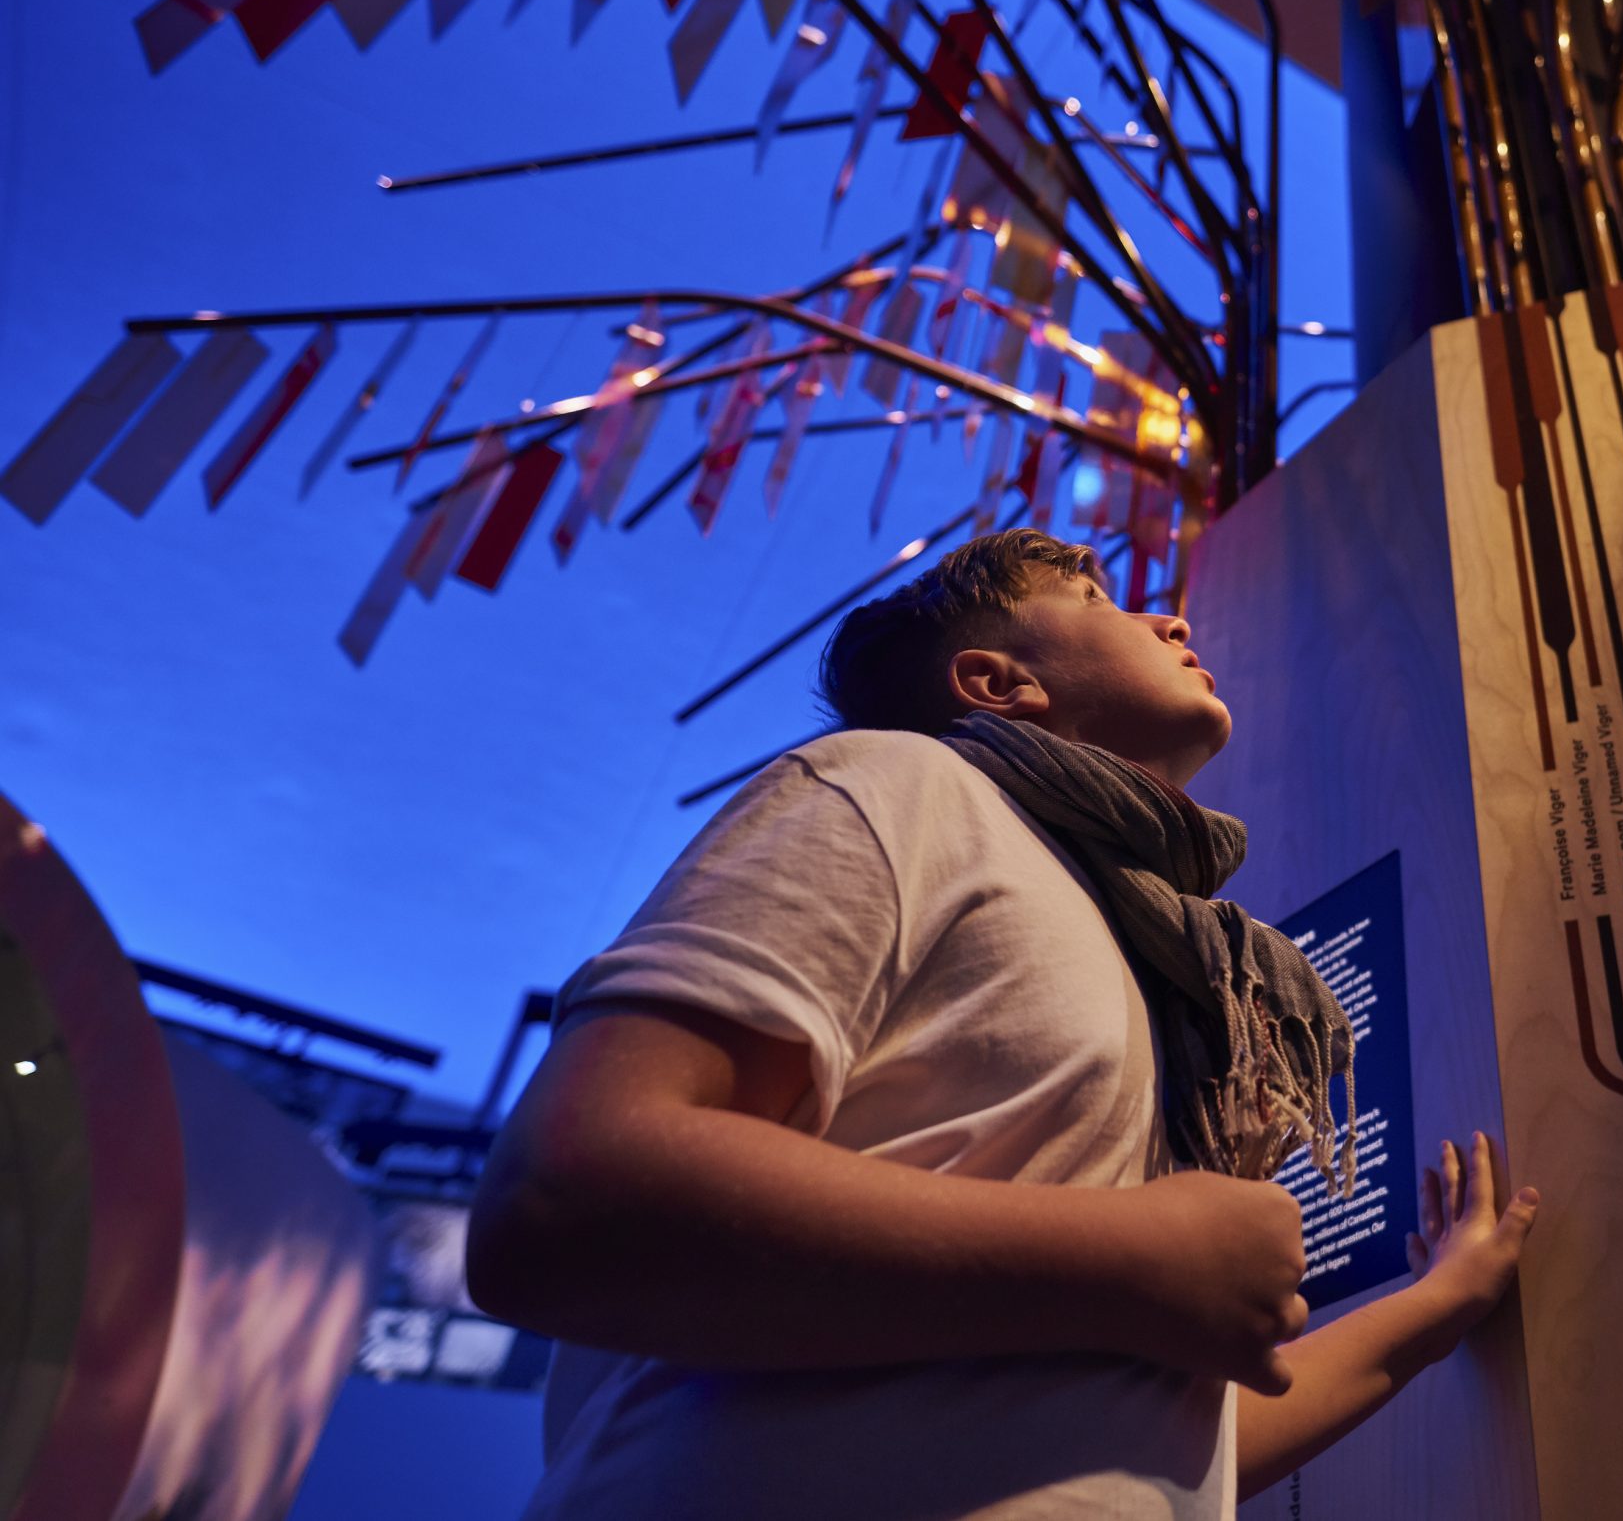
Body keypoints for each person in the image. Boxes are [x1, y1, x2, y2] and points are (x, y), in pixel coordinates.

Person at [468, 528, 1541, 1519]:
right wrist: (1127, 1259)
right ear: (996, 681)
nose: (1168, 620)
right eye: (1094, 596)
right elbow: (568, 1192)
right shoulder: (896, 781)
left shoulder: (1149, 957)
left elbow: (1187, 1439)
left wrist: (1440, 1303)